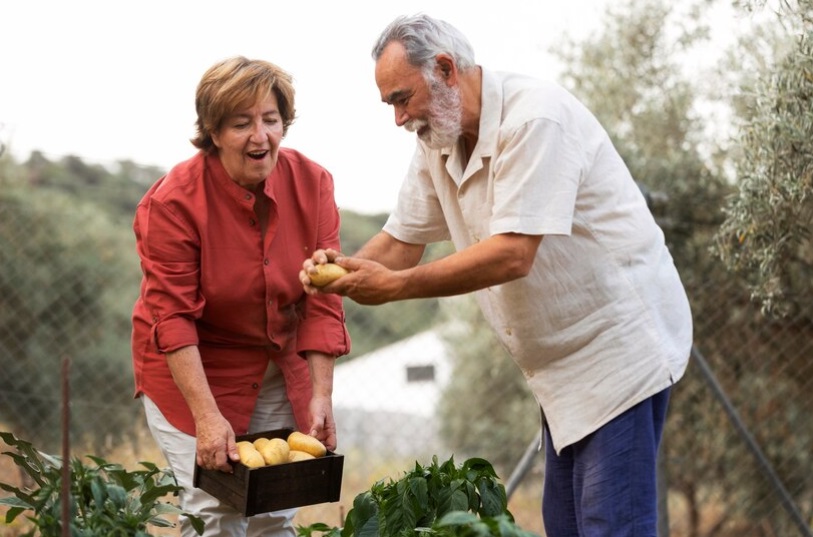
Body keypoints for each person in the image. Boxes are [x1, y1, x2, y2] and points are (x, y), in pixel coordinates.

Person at [300, 14, 692, 537]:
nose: (398, 118)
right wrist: (341, 272)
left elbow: (512, 255)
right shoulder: (436, 139)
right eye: (390, 104)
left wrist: (396, 288)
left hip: (616, 353)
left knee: (610, 527)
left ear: (444, 68)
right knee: (567, 525)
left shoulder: (535, 120)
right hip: (560, 373)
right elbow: (400, 242)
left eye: (401, 98)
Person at [132, 56, 350, 537]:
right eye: (241, 123)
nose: (261, 136)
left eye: (271, 120)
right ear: (213, 130)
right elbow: (171, 318)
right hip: (193, 370)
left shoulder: (313, 184)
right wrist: (207, 417)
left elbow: (322, 299)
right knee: (216, 512)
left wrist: (320, 394)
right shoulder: (171, 203)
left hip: (274, 364)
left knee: (273, 508)